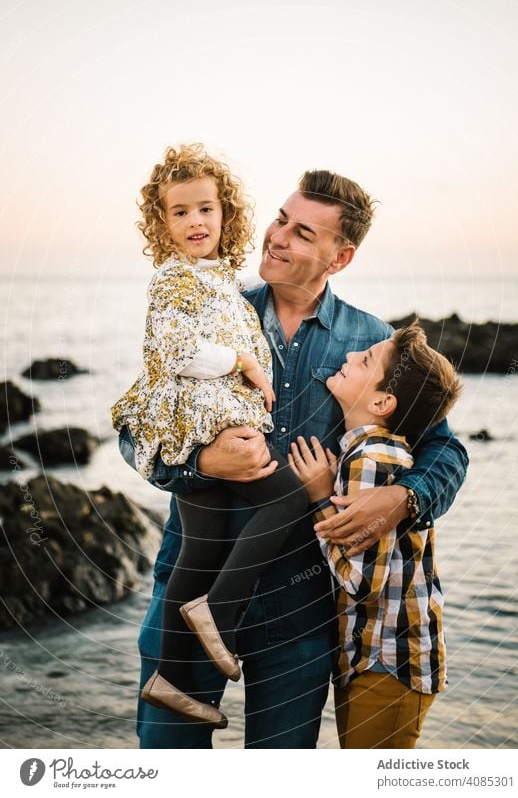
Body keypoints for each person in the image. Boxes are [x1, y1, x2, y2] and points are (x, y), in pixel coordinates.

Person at [132, 167, 469, 749]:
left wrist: (404, 497)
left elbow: (446, 449)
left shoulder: (371, 344)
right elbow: (139, 424)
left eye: (303, 234)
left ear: (340, 258)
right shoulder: (208, 312)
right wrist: (200, 463)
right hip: (189, 589)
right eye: (281, 219)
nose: (277, 237)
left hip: (301, 610)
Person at [112, 144, 309, 728]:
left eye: (205, 209)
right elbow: (172, 351)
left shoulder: (219, 279)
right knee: (289, 498)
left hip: (205, 420)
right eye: (179, 213)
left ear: (226, 215)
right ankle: (218, 613)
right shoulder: (176, 279)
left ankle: (168, 679)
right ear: (161, 223)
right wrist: (245, 361)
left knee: (197, 553)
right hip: (195, 425)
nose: (195, 222)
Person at [288, 321, 462, 748]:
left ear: (383, 401)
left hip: (388, 660)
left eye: (364, 360)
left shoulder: (373, 458)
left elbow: (362, 582)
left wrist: (319, 498)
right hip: (373, 655)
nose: (348, 357)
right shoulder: (368, 449)